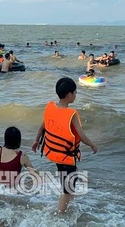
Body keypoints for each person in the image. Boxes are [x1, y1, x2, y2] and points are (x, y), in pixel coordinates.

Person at [31, 77, 98, 214]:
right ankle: (59, 215)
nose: (75, 95)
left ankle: (67, 205)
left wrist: (36, 140)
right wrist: (92, 145)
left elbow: (42, 127)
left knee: (69, 183)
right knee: (67, 190)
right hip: (67, 157)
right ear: (69, 95)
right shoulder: (71, 114)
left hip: (55, 154)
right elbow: (82, 136)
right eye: (75, 92)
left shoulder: (50, 107)